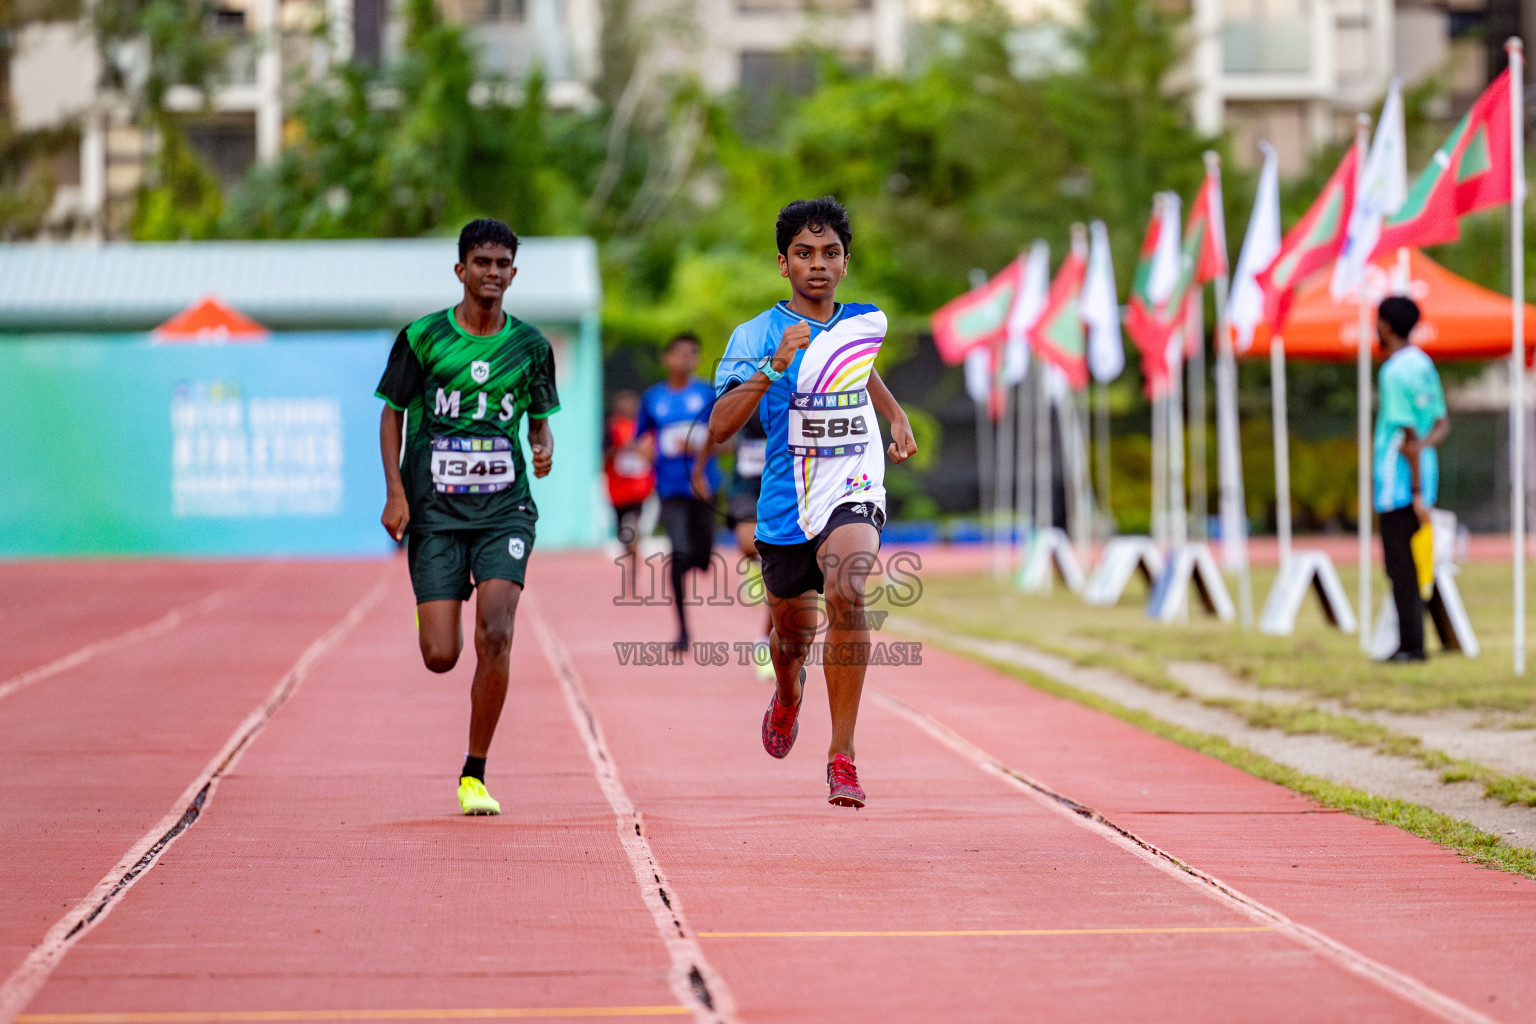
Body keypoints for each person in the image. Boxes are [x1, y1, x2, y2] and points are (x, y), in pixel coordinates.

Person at [708, 196, 918, 808]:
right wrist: (772, 367)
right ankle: (788, 695)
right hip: (784, 506)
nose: (818, 265)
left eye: (830, 254)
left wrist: (897, 415)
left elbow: (861, 371)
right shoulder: (753, 335)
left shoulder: (862, 324)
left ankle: (843, 755)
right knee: (790, 639)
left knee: (849, 588)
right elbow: (720, 425)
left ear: (845, 263)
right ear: (784, 264)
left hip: (853, 486)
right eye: (805, 254)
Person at [376, 218, 559, 815]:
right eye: (482, 262)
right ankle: (436, 606)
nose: (493, 272)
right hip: (434, 512)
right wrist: (397, 493)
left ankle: (474, 773)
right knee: (441, 656)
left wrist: (542, 441)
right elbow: (392, 414)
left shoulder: (531, 346)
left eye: (503, 263)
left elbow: (538, 416)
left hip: (505, 511)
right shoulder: (423, 337)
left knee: (498, 632)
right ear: (462, 270)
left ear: (513, 272)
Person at [1373, 295, 1449, 663]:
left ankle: (1411, 646)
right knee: (1417, 563)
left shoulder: (1392, 372)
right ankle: (1414, 641)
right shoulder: (1423, 364)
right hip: (1425, 479)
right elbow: (1440, 425)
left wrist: (1415, 488)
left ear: (1386, 325)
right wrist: (1423, 451)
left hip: (1398, 484)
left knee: (1400, 566)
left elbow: (1407, 440)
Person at [637, 334, 722, 651]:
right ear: (667, 359)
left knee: (702, 557)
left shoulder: (707, 394)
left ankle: (697, 558)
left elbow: (724, 438)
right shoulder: (653, 398)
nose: (687, 360)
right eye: (681, 354)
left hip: (703, 487)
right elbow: (640, 438)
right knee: (679, 553)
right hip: (670, 488)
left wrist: (701, 449)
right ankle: (683, 630)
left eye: (693, 355)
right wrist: (644, 451)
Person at [718, 406, 776, 682]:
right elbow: (717, 429)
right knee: (747, 540)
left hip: (783, 487)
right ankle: (754, 565)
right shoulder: (744, 382)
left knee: (780, 579)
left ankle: (765, 643)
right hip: (746, 487)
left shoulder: (797, 387)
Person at [604, 390, 654, 593]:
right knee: (624, 535)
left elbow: (652, 453)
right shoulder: (612, 428)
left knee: (632, 527)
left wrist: (640, 451)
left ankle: (633, 571)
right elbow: (605, 455)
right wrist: (621, 449)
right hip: (617, 491)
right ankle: (631, 556)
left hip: (638, 489)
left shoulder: (645, 429)